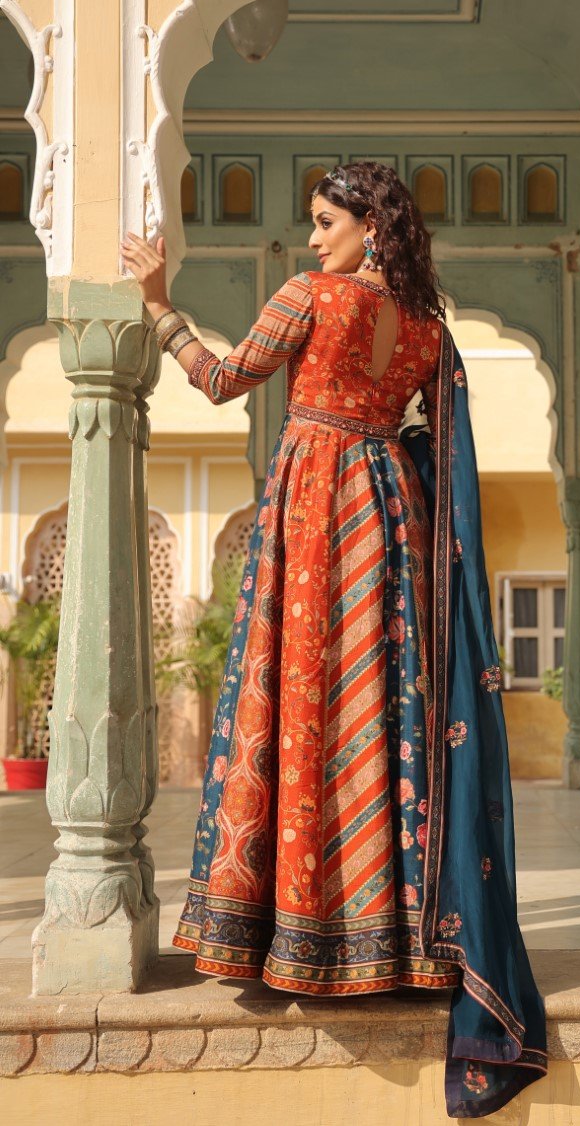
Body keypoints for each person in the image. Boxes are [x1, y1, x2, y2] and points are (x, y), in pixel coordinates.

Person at [121, 160, 547, 1117]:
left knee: (303, 698)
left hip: (318, 507)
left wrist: (158, 307)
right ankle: (393, 939)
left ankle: (301, 935)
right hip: (393, 514)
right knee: (383, 704)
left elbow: (224, 380)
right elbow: (441, 446)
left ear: (367, 223)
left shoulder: (312, 298)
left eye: (324, 221)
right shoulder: (430, 329)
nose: (312, 240)